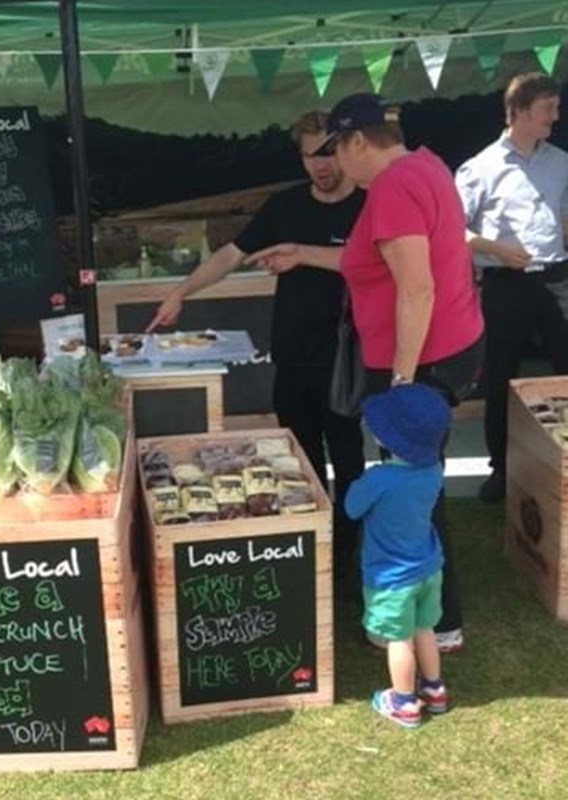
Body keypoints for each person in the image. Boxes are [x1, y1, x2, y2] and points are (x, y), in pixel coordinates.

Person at [247, 93, 484, 653]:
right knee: (419, 484)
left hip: (419, 361)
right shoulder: (426, 165)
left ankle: (436, 621)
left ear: (357, 141)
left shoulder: (395, 187)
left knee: (413, 487)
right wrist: (302, 253)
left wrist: (401, 381)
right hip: (448, 347)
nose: (334, 165)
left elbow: (416, 286)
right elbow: (373, 261)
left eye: (337, 150)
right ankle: (425, 609)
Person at [146, 111, 365, 578]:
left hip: (347, 357)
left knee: (348, 458)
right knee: (298, 458)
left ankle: (349, 553)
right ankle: (309, 548)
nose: (322, 165)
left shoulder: (369, 204)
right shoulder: (284, 206)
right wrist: (182, 292)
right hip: (291, 353)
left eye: (329, 152)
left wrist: (303, 254)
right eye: (311, 156)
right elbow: (230, 254)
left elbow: (371, 262)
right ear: (301, 158)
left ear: (346, 149)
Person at [455, 73, 568, 504]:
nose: (555, 118)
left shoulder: (560, 162)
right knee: (503, 376)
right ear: (519, 112)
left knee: (565, 373)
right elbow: (451, 232)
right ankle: (501, 470)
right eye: (547, 109)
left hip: (556, 278)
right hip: (506, 284)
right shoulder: (479, 168)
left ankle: (560, 464)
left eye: (556, 108)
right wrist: (494, 249)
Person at [345, 383, 451, 729]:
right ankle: (434, 689)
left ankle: (403, 700)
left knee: (398, 639)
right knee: (425, 629)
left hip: (391, 577)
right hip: (428, 566)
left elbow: (350, 507)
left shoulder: (380, 478)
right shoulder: (433, 470)